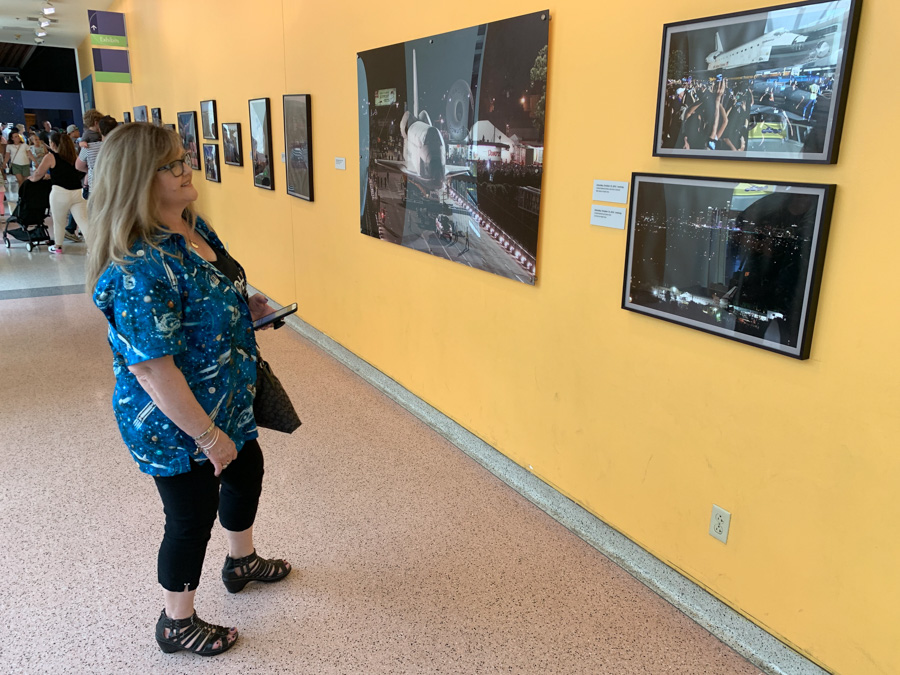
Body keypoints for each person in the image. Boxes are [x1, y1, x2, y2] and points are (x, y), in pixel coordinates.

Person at [86, 123, 291, 657]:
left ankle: (241, 562)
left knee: (247, 474)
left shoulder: (193, 229)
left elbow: (214, 291)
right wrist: (208, 438)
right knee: (190, 516)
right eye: (174, 164)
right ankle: (176, 620)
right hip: (176, 423)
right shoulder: (139, 267)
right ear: (139, 179)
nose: (188, 169)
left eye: (185, 159)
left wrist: (246, 308)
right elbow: (154, 371)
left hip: (228, 399)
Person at [28, 131, 88, 254]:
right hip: (78, 192)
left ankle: (58, 247)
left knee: (59, 221)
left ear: (54, 144)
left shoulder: (50, 157)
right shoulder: (74, 156)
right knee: (83, 220)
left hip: (60, 193)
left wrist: (32, 179)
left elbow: (38, 174)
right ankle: (94, 247)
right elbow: (73, 172)